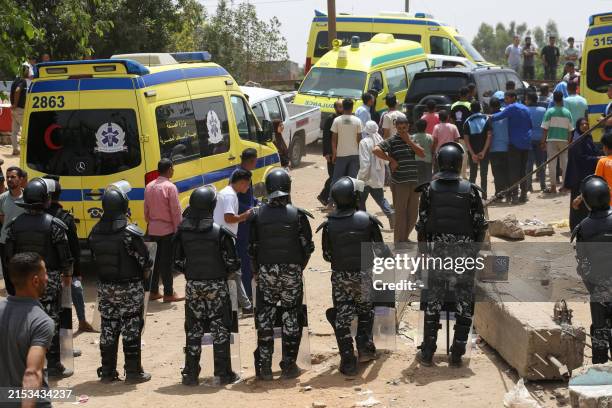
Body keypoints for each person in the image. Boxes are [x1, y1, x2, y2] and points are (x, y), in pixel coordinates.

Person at [414, 142, 487, 367]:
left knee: (433, 302)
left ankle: (427, 352)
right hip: (464, 255)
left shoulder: (428, 190)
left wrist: (424, 253)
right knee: (464, 303)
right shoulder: (472, 190)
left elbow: (422, 226)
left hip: (437, 254)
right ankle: (457, 353)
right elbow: (480, 226)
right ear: (458, 163)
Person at [319, 177, 390, 376]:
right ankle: (365, 349)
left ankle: (348, 359)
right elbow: (381, 251)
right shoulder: (367, 220)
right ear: (354, 197)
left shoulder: (329, 225)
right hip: (364, 275)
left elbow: (327, 256)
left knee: (342, 316)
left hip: (340, 277)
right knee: (366, 312)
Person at [4, 177, 74, 378]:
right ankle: (53, 365)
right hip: (48, 280)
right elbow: (65, 256)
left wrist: (13, 280)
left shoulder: (15, 225)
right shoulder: (54, 224)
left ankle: (26, 364)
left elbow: (8, 256)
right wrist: (67, 276)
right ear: (46, 200)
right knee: (50, 319)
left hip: (23, 280)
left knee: (24, 320)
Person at [249, 168, 314, 380]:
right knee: (291, 318)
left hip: (266, 273)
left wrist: (258, 271)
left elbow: (251, 248)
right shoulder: (298, 215)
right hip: (292, 272)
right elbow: (308, 248)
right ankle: (288, 366)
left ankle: (265, 367)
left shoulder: (256, 215)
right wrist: (297, 268)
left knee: (265, 319)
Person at [174, 186, 241, 385]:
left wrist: (193, 274)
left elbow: (176, 263)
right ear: (212, 206)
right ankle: (223, 373)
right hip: (217, 286)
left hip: (193, 286)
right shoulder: (220, 233)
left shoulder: (182, 231)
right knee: (220, 328)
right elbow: (233, 263)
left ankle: (190, 374)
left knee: (193, 329)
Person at [88, 182, 152, 383]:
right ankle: (133, 372)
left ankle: (107, 372)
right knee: (131, 327)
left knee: (108, 326)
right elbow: (146, 261)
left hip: (106, 288)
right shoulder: (129, 233)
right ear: (124, 205)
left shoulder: (94, 232)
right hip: (130, 287)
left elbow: (94, 259)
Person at [0, 253, 55, 408]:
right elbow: (32, 373)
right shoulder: (41, 321)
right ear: (35, 281)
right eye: (45, 274)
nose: (48, 278)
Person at [43, 176, 94, 333]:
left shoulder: (34, 216)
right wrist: (76, 271)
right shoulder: (65, 217)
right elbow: (74, 248)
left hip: (43, 268)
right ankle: (81, 321)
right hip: (64, 267)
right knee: (74, 291)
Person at [572, 175, 612, 364]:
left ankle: (600, 367)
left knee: (599, 328)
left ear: (587, 202)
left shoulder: (583, 228)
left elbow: (583, 265)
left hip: (598, 289)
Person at [374, 117, 425, 243]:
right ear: (396, 127)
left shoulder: (413, 139)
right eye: (399, 128)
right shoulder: (392, 141)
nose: (402, 130)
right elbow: (376, 150)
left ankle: (405, 238)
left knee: (413, 214)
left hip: (414, 182)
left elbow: (422, 154)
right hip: (399, 182)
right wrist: (391, 160)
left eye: (404, 128)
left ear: (408, 127)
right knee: (401, 214)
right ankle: (398, 242)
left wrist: (409, 141)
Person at [213, 169, 254, 314]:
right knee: (235, 272)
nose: (248, 188)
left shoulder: (225, 192)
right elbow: (229, 218)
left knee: (232, 273)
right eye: (247, 185)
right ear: (242, 182)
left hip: (221, 238)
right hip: (225, 240)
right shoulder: (230, 195)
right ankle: (247, 306)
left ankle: (240, 305)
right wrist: (246, 215)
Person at [144, 158, 183, 302]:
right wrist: (178, 230)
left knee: (154, 262)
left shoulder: (149, 186)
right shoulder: (170, 187)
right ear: (169, 170)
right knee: (166, 263)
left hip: (153, 229)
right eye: (172, 168)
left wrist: (151, 223)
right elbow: (176, 212)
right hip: (167, 231)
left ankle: (154, 291)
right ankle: (168, 293)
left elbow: (146, 211)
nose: (173, 171)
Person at [491, 91, 533, 204]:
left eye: (507, 98)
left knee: (514, 170)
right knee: (523, 170)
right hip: (526, 142)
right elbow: (530, 124)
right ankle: (523, 194)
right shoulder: (525, 108)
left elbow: (498, 117)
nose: (505, 100)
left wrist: (487, 116)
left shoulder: (511, 108)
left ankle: (514, 195)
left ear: (513, 98)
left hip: (515, 143)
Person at [564, 118, 602, 229]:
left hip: (587, 175)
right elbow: (581, 158)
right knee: (578, 202)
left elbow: (594, 151)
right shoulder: (577, 140)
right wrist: (597, 158)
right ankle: (576, 226)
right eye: (582, 124)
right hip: (578, 176)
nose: (585, 126)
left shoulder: (588, 138)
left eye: (586, 124)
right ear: (578, 126)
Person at [357, 120, 394, 229]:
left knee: (360, 200)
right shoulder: (381, 140)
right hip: (378, 176)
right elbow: (386, 160)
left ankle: (362, 222)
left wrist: (361, 177)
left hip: (366, 177)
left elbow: (365, 162)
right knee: (380, 198)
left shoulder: (364, 142)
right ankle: (390, 213)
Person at [328, 98, 362, 208]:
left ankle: (330, 202)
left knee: (336, 179)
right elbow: (359, 140)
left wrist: (334, 153)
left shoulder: (337, 120)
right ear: (352, 107)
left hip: (341, 155)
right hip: (354, 154)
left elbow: (333, 139)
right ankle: (352, 203)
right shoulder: (357, 121)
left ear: (343, 106)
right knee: (353, 180)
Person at [235, 148, 258, 305]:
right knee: (244, 259)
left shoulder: (244, 173)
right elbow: (237, 201)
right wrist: (251, 210)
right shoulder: (239, 176)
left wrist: (257, 203)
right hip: (242, 223)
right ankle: (246, 296)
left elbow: (250, 198)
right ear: (251, 161)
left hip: (247, 220)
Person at [541, 91, 574, 194]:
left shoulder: (549, 112)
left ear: (554, 99)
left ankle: (553, 187)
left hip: (551, 140)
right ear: (562, 99)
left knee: (552, 164)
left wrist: (543, 141)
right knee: (565, 164)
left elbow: (545, 128)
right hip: (564, 140)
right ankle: (564, 186)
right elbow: (570, 130)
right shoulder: (567, 112)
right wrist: (568, 141)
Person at [0, 166, 26, 289]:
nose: (9, 179)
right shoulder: (2, 198)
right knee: (8, 274)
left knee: (24, 274)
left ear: (21, 179)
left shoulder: (28, 197)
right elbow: (2, 217)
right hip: (5, 242)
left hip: (23, 243)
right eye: (8, 177)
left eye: (13, 177)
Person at [318, 100, 343, 207]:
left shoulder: (343, 119)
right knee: (333, 176)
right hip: (331, 153)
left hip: (341, 152)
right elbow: (326, 137)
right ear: (336, 108)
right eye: (340, 107)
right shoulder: (330, 119)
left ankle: (327, 197)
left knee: (337, 177)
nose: (342, 108)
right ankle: (324, 196)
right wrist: (327, 153)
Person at [463, 102, 491, 197]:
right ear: (480, 109)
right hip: (484, 152)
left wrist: (472, 154)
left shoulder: (467, 122)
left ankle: (471, 196)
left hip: (473, 152)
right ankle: (484, 195)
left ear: (471, 110)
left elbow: (466, 140)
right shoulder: (486, 120)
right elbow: (489, 136)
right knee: (484, 174)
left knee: (473, 175)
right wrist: (483, 151)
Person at [488, 98, 510, 200]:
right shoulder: (506, 116)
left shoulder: (490, 119)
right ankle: (507, 192)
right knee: (506, 171)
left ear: (491, 107)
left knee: (496, 173)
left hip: (494, 149)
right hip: (506, 148)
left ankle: (499, 194)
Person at [526, 93, 548, 193]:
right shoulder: (543, 110)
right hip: (541, 139)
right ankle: (543, 185)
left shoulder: (525, 110)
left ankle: (528, 186)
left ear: (530, 100)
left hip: (529, 139)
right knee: (541, 163)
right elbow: (545, 126)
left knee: (529, 164)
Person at [9, 63, 29, 156]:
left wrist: (13, 105)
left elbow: (13, 92)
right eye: (28, 70)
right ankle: (24, 151)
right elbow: (17, 91)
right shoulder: (23, 81)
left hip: (14, 110)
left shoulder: (15, 80)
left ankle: (15, 150)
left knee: (14, 132)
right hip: (20, 109)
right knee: (25, 130)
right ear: (24, 71)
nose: (29, 72)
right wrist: (16, 104)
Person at [412, 119, 434, 184]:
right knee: (428, 178)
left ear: (416, 127)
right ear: (426, 126)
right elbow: (431, 148)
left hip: (417, 159)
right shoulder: (429, 137)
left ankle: (420, 192)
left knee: (419, 178)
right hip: (428, 159)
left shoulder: (413, 137)